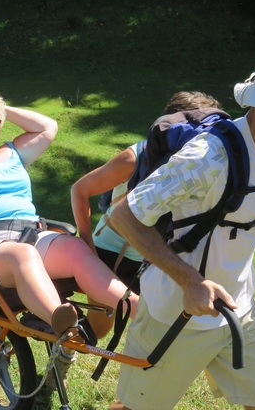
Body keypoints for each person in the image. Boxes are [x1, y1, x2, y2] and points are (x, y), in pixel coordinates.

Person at [108, 47, 255, 410]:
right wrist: (191, 281)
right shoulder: (208, 157)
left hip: (240, 310)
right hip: (177, 315)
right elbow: (123, 215)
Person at [0, 87, 139, 387]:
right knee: (21, 255)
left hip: (28, 234)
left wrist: (0, 108)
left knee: (75, 247)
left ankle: (141, 310)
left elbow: (48, 127)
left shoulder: (12, 154)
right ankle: (61, 323)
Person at [71, 91, 222, 338]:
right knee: (98, 330)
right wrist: (87, 246)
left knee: (162, 323)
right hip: (111, 253)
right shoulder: (135, 157)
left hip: (154, 258)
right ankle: (62, 355)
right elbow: (80, 189)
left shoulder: (201, 164)